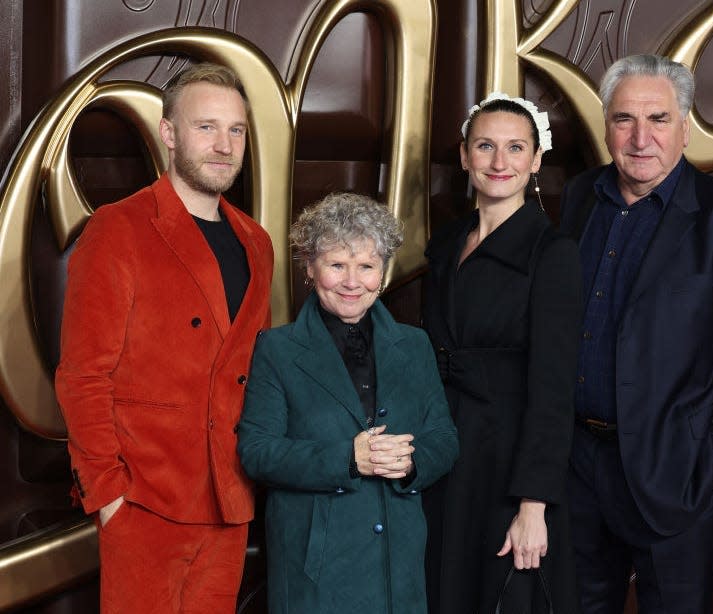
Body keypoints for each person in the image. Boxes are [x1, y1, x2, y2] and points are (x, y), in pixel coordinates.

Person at [559, 54, 713, 613]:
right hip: (575, 472)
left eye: (658, 119)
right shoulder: (579, 199)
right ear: (606, 125)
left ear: (685, 128)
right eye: (624, 120)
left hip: (673, 475)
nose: (640, 139)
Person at [55, 62, 274, 613]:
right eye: (206, 127)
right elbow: (83, 375)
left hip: (229, 497)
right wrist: (108, 494)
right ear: (169, 134)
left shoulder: (257, 241)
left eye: (236, 130)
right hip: (144, 497)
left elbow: (252, 366)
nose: (224, 145)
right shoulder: (119, 227)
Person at [237, 192, 459, 614]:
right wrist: (348, 459)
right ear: (309, 267)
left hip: (400, 565)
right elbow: (257, 452)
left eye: (366, 266)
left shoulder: (415, 345)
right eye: (337, 265)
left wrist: (412, 463)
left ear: (383, 271)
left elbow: (443, 438)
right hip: (315, 568)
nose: (352, 281)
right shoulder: (277, 349)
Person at [423, 92, 583, 614]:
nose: (499, 162)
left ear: (536, 161)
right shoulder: (447, 243)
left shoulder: (551, 254)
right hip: (445, 449)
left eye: (515, 148)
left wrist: (533, 505)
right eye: (485, 146)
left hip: (509, 463)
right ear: (465, 156)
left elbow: (554, 389)